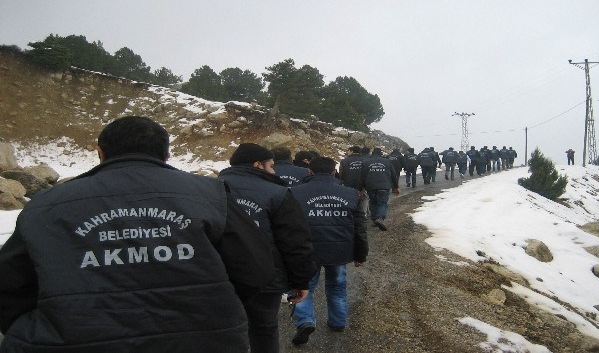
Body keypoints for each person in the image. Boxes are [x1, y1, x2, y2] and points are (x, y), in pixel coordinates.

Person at [0, 116, 276, 352]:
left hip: (75, 339)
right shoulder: (209, 195)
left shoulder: (47, 204)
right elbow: (256, 269)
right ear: (166, 156)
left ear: (100, 152)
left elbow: (10, 285)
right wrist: (216, 304)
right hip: (201, 338)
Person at [219, 143, 317, 353]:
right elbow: (295, 242)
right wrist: (300, 281)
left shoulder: (207, 188)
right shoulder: (278, 193)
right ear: (258, 165)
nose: (274, 171)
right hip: (265, 279)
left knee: (221, 330)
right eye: (271, 166)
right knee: (264, 329)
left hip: (219, 275)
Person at [289, 157, 369, 346]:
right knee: (337, 287)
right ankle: (338, 321)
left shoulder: (294, 192)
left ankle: (305, 320)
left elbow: (288, 226)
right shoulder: (352, 194)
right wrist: (361, 254)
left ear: (310, 172)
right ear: (334, 172)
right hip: (339, 250)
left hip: (308, 251)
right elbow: (360, 227)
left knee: (304, 287)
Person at [362, 148, 400, 231]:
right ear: (381, 154)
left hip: (371, 186)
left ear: (372, 153)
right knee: (382, 203)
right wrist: (395, 187)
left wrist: (361, 187)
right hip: (384, 186)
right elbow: (393, 175)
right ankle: (380, 218)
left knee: (373, 202)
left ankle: (374, 220)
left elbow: (362, 176)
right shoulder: (387, 162)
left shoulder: (366, 162)